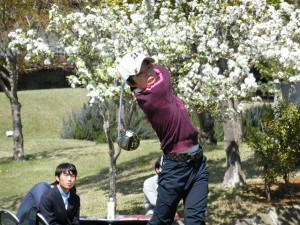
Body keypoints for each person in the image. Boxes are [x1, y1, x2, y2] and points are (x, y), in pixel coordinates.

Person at [117, 52, 209, 225]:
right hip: (175, 169)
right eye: (142, 73)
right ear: (131, 82)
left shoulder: (158, 89)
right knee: (161, 221)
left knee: (195, 221)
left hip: (198, 165)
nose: (150, 74)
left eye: (149, 68)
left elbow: (160, 70)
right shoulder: (150, 97)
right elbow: (164, 72)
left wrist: (141, 69)